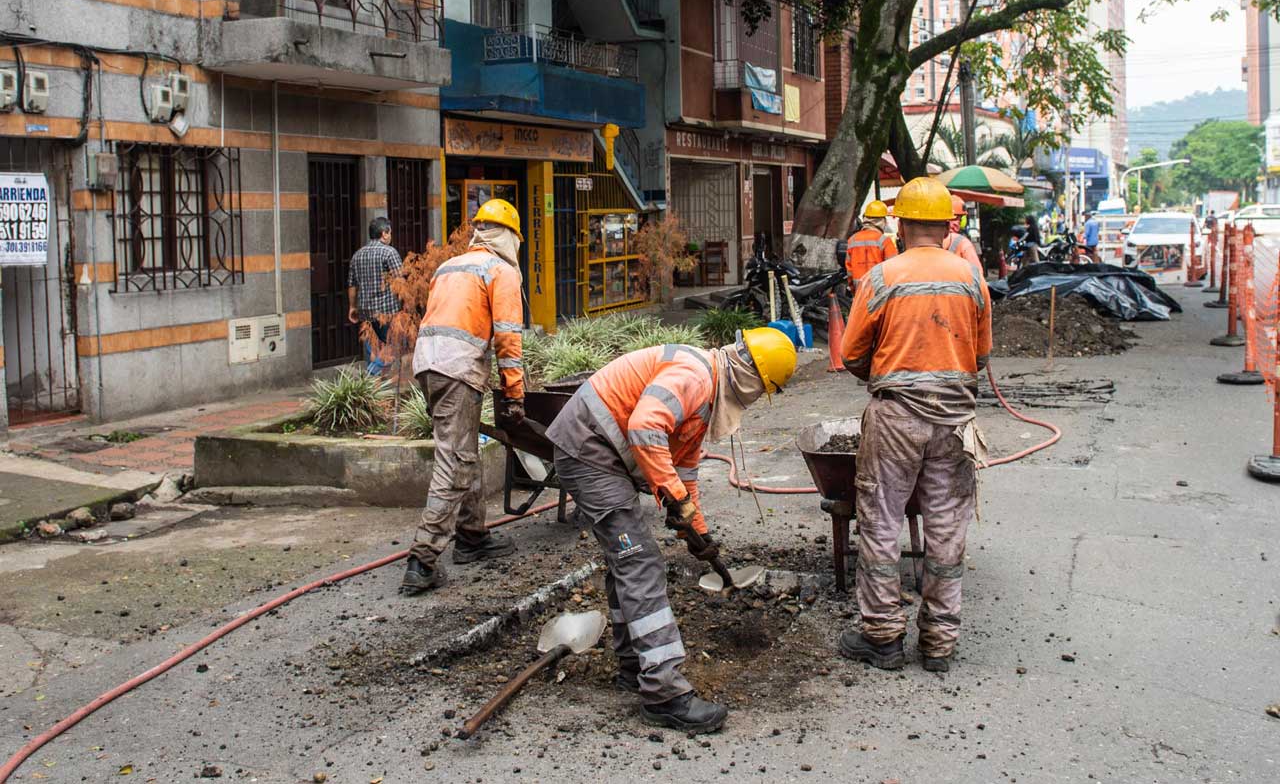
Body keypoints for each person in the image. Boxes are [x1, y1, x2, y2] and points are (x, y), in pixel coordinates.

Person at [546, 328, 797, 732]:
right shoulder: (696, 377)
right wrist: (676, 498)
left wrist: (699, 534)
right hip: (588, 450)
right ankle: (664, 692)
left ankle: (634, 666)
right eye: (762, 393)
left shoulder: (705, 398)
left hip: (597, 451)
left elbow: (685, 475)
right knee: (641, 563)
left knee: (626, 562)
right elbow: (645, 429)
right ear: (752, 380)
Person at [837, 175, 992, 674]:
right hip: (954, 420)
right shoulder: (970, 277)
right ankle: (939, 644)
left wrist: (884, 378)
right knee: (947, 524)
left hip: (896, 418)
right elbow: (982, 353)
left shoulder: (882, 278)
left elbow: (851, 353)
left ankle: (882, 638)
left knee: (881, 520)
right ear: (947, 226)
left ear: (901, 224)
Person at [399, 200, 526, 596]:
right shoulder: (500, 270)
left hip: (428, 365)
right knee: (455, 461)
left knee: (463, 447)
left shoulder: (449, 266)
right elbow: (507, 337)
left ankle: (472, 536)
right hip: (458, 369)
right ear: (509, 237)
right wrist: (515, 393)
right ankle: (423, 559)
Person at [347, 217, 403, 375]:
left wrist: (352, 307)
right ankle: (370, 376)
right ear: (384, 233)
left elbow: (352, 284)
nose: (390, 236)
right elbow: (400, 282)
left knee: (372, 352)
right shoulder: (389, 252)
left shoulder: (357, 255)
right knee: (391, 351)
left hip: (365, 312)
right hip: (386, 312)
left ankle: (373, 392)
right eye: (389, 232)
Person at [845, 200, 899, 289]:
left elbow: (849, 272)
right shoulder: (884, 241)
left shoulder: (852, 240)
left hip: (859, 293)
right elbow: (894, 270)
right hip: (880, 294)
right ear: (881, 221)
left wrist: (854, 292)